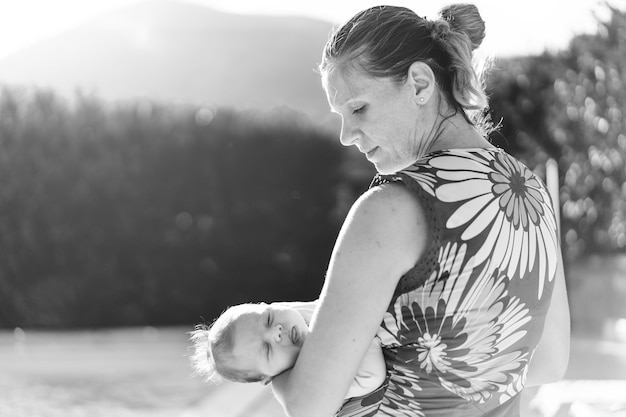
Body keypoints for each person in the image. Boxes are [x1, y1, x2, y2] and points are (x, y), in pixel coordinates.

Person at [269, 3, 571, 417]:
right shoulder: (530, 192)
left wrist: (266, 360)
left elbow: (308, 404)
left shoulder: (390, 210)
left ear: (420, 83)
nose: (345, 135)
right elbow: (549, 362)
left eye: (358, 108)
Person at [188, 301, 387, 399]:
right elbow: (371, 376)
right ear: (269, 377)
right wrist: (359, 330)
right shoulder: (312, 383)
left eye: (268, 319)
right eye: (266, 349)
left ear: (270, 305)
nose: (276, 332)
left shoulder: (298, 313)